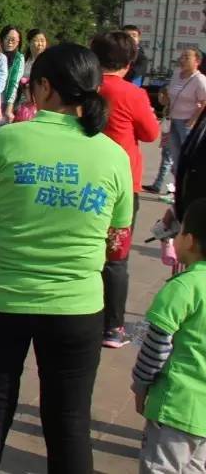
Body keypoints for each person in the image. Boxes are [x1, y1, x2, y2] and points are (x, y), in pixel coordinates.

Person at [0, 43, 134, 474]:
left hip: (1, 297)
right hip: (76, 305)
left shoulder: (9, 138)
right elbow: (118, 245)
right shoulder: (114, 155)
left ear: (45, 87)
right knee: (69, 420)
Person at [91, 30, 160, 350]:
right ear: (130, 62)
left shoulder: (85, 87)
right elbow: (150, 133)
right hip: (122, 183)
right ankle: (113, 327)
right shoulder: (132, 93)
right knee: (116, 257)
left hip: (85, 176)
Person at [131, 198, 206, 474]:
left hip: (175, 406)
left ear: (190, 240)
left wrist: (140, 385)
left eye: (180, 231)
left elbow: (156, 345)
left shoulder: (183, 287)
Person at [149, 48, 206, 195]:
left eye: (187, 57)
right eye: (182, 56)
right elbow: (169, 95)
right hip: (173, 120)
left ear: (197, 61)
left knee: (186, 157)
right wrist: (163, 98)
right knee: (173, 156)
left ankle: (187, 190)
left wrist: (193, 120)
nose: (182, 59)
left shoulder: (200, 80)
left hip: (187, 123)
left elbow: (203, 102)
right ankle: (175, 188)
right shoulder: (176, 75)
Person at [18, 29, 49, 120]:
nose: (40, 44)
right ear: (29, 42)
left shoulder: (49, 61)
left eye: (42, 41)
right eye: (36, 40)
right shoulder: (23, 60)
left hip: (41, 101)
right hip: (23, 101)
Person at [0, 26, 25, 119]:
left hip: (4, 101)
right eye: (7, 38)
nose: (10, 42)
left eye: (13, 40)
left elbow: (14, 82)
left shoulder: (18, 58)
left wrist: (9, 108)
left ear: (18, 42)